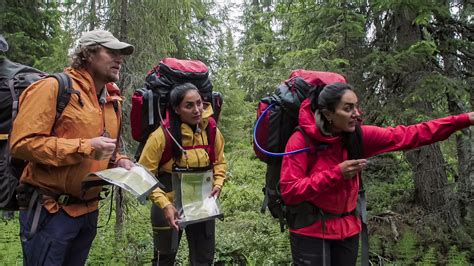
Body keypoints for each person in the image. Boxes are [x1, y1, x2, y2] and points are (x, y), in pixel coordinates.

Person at [280, 82, 474, 265]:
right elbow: (289, 191)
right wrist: (336, 173)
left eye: (356, 107)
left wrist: (465, 119)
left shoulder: (358, 136)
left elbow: (411, 134)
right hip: (311, 232)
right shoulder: (300, 141)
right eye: (347, 108)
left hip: (347, 231)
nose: (356, 114)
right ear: (328, 114)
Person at [9, 29, 135, 265]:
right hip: (50, 211)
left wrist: (118, 160)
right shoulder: (53, 88)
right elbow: (22, 144)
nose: (119, 58)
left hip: (87, 212)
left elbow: (103, 147)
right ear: (88, 54)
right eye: (111, 51)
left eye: (121, 53)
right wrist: (84, 147)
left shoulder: (110, 101)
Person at [138, 83, 227, 265]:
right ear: (177, 109)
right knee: (164, 259)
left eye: (199, 103)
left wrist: (218, 183)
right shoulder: (161, 135)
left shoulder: (211, 130)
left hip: (202, 204)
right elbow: (143, 174)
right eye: (189, 105)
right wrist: (164, 204)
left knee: (203, 259)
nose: (197, 110)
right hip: (169, 205)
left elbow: (219, 161)